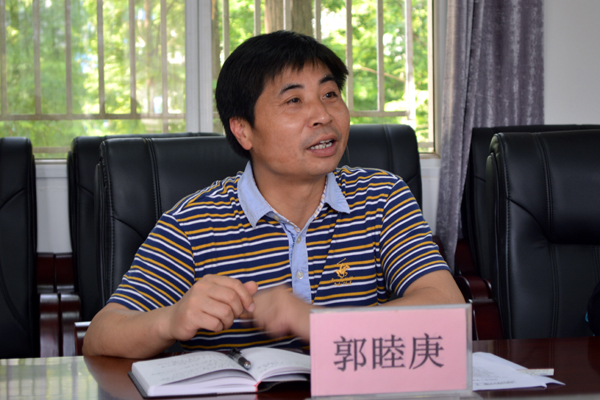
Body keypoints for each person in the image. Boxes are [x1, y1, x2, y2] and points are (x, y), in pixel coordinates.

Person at [83, 30, 464, 358]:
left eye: (330, 94)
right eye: (294, 101)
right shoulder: (193, 223)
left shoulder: (381, 197)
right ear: (243, 131)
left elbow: (446, 307)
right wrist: (171, 319)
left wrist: (314, 321)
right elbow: (101, 336)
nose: (323, 115)